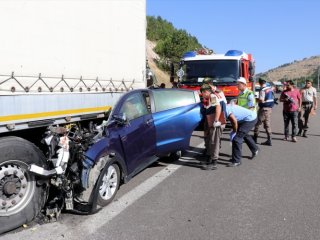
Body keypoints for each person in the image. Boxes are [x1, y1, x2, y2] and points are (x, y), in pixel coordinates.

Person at [200, 84, 226, 170]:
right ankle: (210, 159)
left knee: (215, 142)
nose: (202, 95)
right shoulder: (210, 98)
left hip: (217, 122)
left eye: (202, 93)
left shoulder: (212, 96)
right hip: (212, 121)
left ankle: (214, 163)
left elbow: (218, 107)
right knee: (211, 141)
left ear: (206, 92)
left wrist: (216, 120)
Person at [253, 77, 275, 146]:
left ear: (259, 83)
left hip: (263, 109)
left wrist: (256, 99)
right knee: (267, 124)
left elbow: (261, 100)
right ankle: (269, 139)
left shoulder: (262, 90)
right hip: (269, 109)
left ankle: (255, 138)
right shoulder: (270, 89)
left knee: (257, 123)